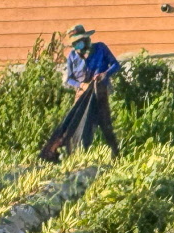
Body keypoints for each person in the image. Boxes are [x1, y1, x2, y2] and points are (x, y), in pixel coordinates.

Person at [43, 24, 120, 159]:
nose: (77, 45)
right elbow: (69, 79)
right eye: (74, 43)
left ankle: (116, 154)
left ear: (85, 39)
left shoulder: (100, 48)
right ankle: (72, 155)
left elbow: (115, 65)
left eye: (79, 42)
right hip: (82, 95)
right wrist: (81, 85)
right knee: (76, 125)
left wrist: (104, 74)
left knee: (105, 125)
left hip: (99, 92)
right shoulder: (72, 56)